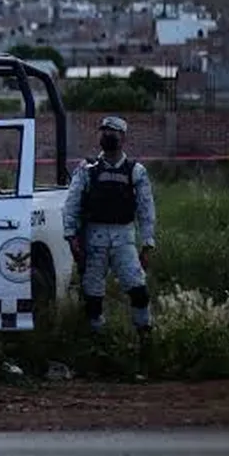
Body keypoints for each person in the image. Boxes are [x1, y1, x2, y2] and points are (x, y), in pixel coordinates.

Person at [62, 116, 157, 342]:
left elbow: (146, 209)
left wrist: (147, 243)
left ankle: (145, 336)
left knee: (138, 290)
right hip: (93, 239)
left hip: (124, 238)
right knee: (93, 295)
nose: (107, 136)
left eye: (112, 132)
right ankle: (98, 341)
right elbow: (72, 203)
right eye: (103, 131)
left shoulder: (135, 171)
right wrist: (71, 236)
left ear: (123, 137)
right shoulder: (87, 169)